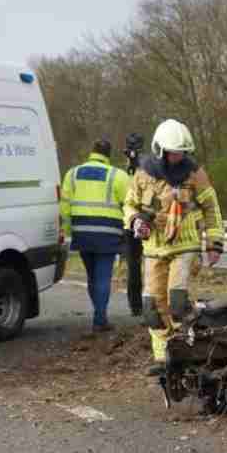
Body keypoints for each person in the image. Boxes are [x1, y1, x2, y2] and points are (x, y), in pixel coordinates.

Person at [122, 119, 225, 376]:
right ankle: (164, 358)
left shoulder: (195, 174)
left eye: (182, 152)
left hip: (184, 245)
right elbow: (130, 205)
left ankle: (190, 351)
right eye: (174, 152)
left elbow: (212, 209)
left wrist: (214, 244)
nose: (178, 157)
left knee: (177, 302)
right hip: (154, 248)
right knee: (152, 307)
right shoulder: (143, 174)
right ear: (161, 150)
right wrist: (135, 221)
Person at [60, 139, 131, 332]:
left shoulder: (72, 174)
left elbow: (64, 206)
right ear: (109, 155)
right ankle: (100, 319)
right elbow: (130, 204)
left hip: (82, 233)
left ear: (92, 152)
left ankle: (100, 315)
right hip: (107, 234)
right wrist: (128, 233)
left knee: (92, 277)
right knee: (102, 278)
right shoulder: (118, 176)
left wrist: (67, 232)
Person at [122, 132, 146, 317]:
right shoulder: (147, 167)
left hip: (132, 222)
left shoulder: (127, 172)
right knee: (138, 265)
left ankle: (136, 305)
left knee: (134, 265)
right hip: (141, 220)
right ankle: (138, 304)